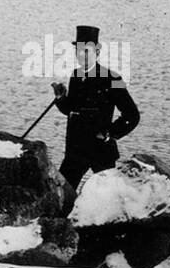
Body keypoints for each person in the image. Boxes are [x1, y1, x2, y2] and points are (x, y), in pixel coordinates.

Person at [52, 24, 140, 189]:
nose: (81, 55)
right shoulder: (76, 76)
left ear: (97, 53)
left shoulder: (112, 78)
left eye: (86, 51)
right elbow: (71, 109)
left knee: (108, 200)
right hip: (75, 150)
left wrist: (109, 134)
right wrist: (60, 98)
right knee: (63, 194)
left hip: (101, 150)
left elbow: (132, 115)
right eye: (78, 51)